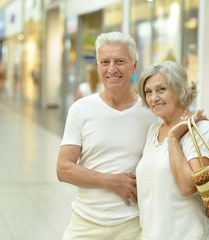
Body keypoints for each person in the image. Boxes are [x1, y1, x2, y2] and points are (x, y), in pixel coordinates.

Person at [56, 31, 158, 240]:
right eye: (105, 62)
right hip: (85, 223)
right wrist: (111, 181)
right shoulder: (81, 109)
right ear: (98, 66)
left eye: (120, 61)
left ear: (134, 66)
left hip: (134, 225)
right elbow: (63, 169)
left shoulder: (150, 114)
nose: (112, 69)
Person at [136, 61, 209, 240]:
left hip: (188, 234)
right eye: (148, 92)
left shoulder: (200, 129)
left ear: (179, 89)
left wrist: (173, 138)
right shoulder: (153, 130)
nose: (153, 98)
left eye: (161, 89)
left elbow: (188, 187)